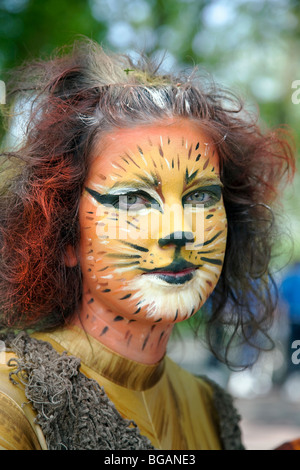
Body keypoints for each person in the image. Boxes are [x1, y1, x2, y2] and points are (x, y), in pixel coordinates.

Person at [0, 39, 295, 450]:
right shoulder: (11, 403)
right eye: (132, 199)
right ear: (64, 235)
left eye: (200, 197)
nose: (179, 230)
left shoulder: (210, 406)